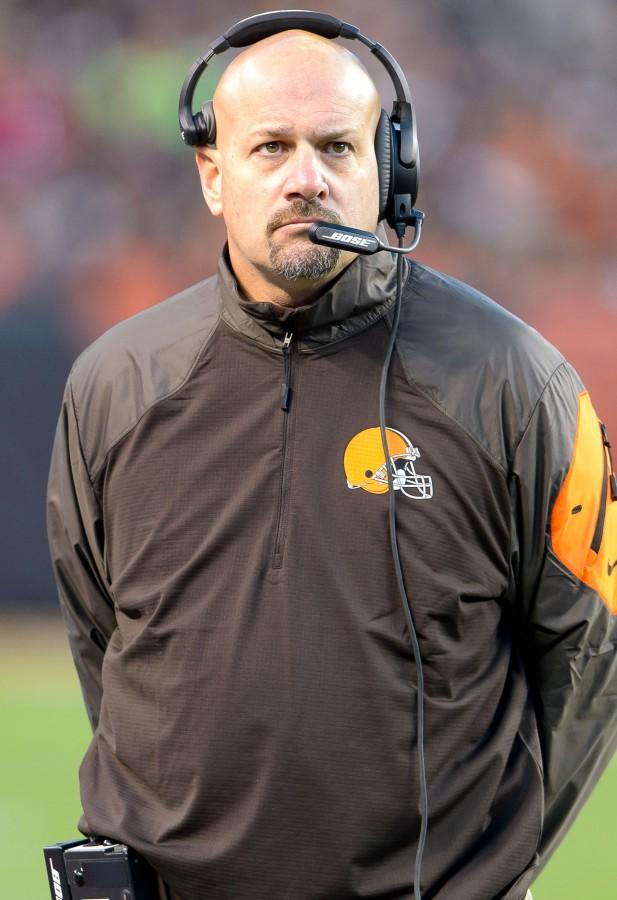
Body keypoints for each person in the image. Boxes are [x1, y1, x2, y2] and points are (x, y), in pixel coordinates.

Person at [46, 16, 617, 900]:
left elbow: (587, 653)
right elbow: (102, 640)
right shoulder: (114, 385)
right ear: (212, 175)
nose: (304, 178)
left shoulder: (514, 381)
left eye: (336, 147)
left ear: (388, 171)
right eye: (269, 147)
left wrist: (492, 871)